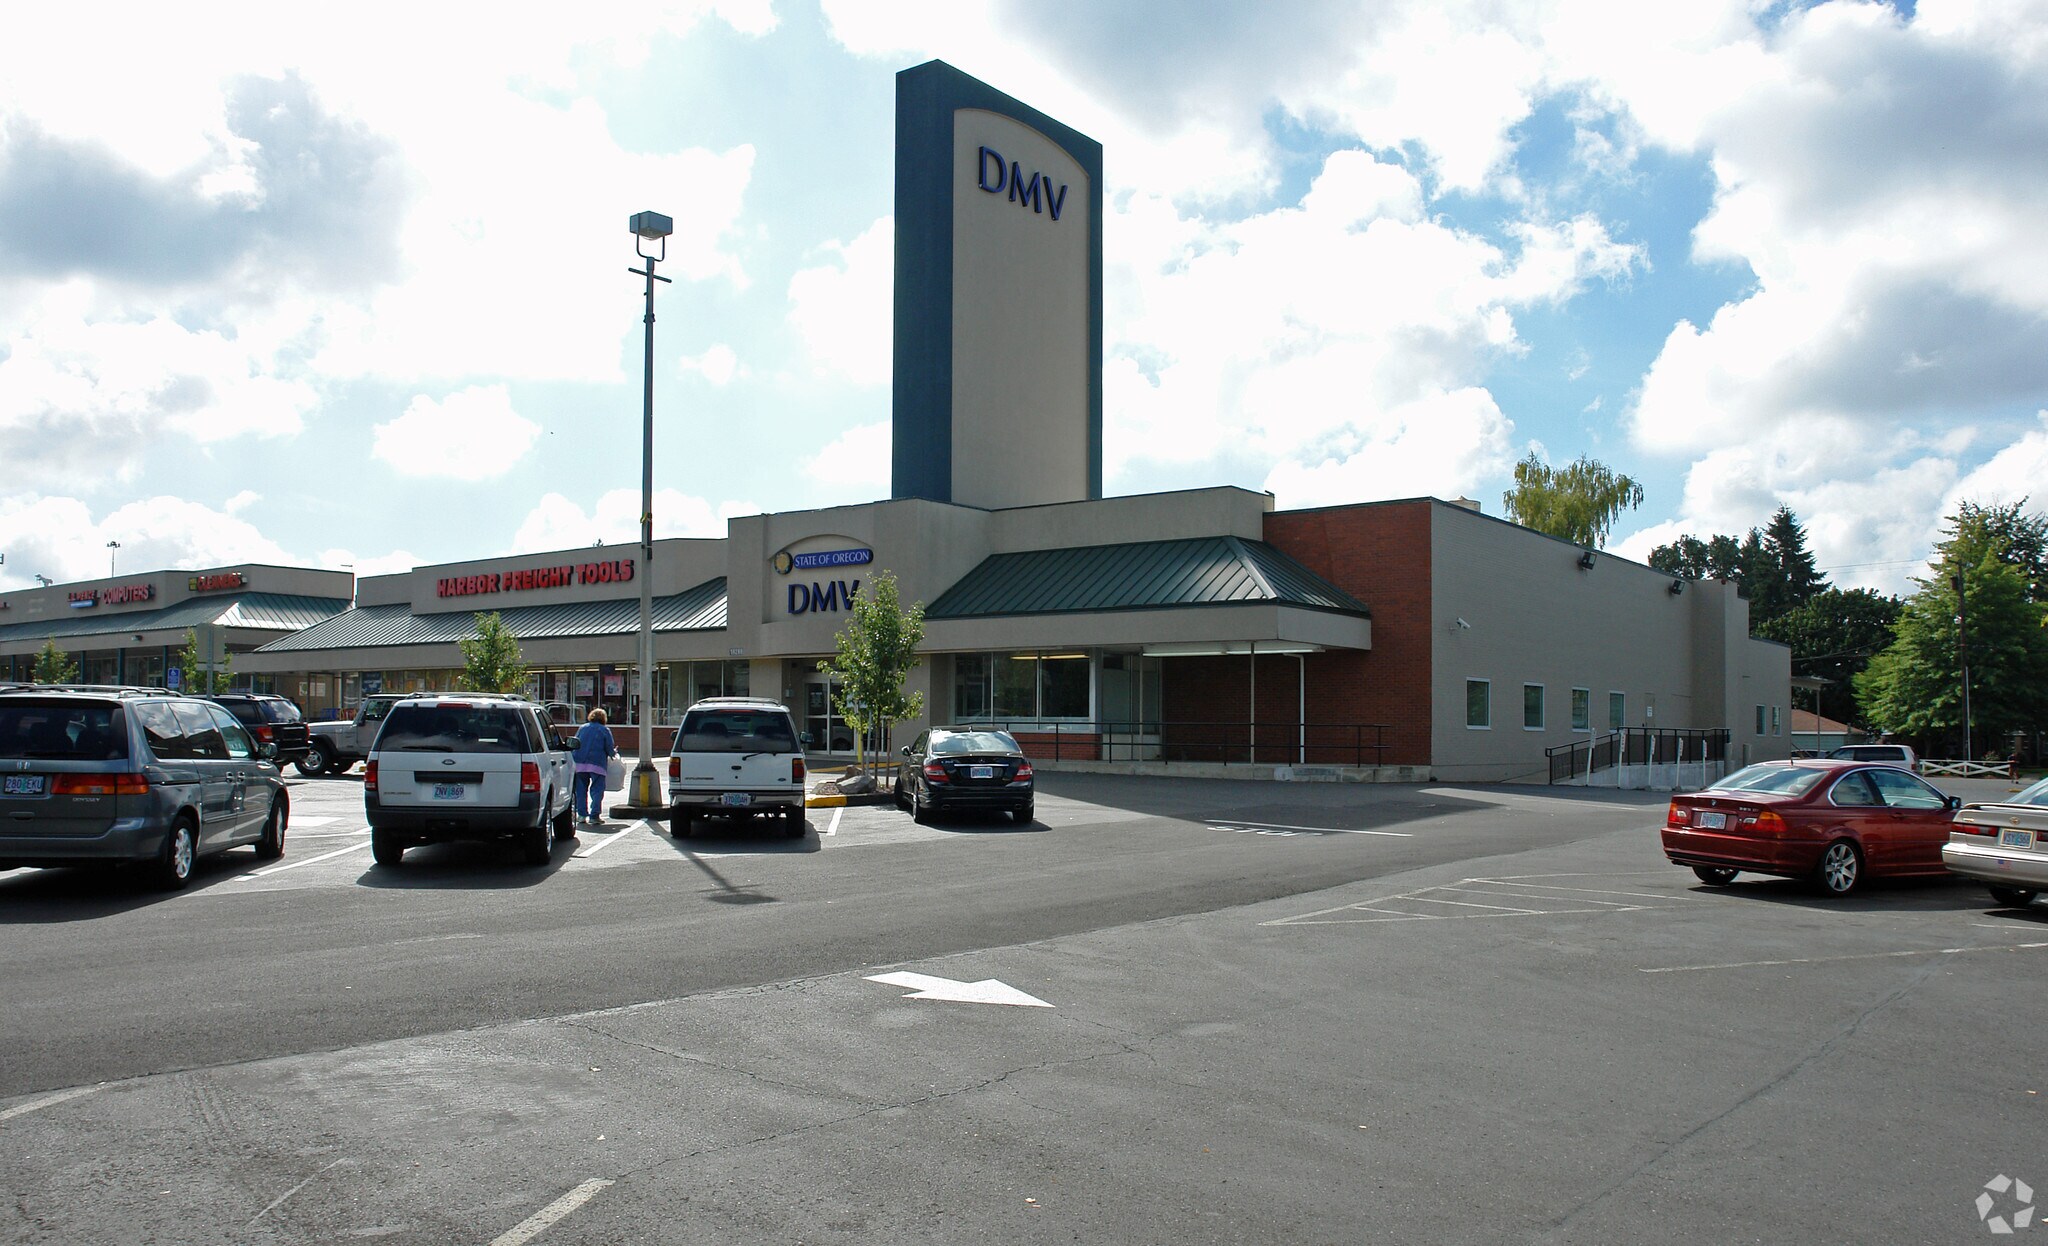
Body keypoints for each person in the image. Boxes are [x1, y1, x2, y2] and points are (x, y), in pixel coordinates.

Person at [571, 708, 618, 826]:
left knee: (580, 790)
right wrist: (614, 752)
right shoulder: (605, 730)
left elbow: (575, 743)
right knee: (597, 790)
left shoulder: (582, 728)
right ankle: (594, 815)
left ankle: (581, 815)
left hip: (580, 763)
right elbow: (609, 748)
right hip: (597, 764)